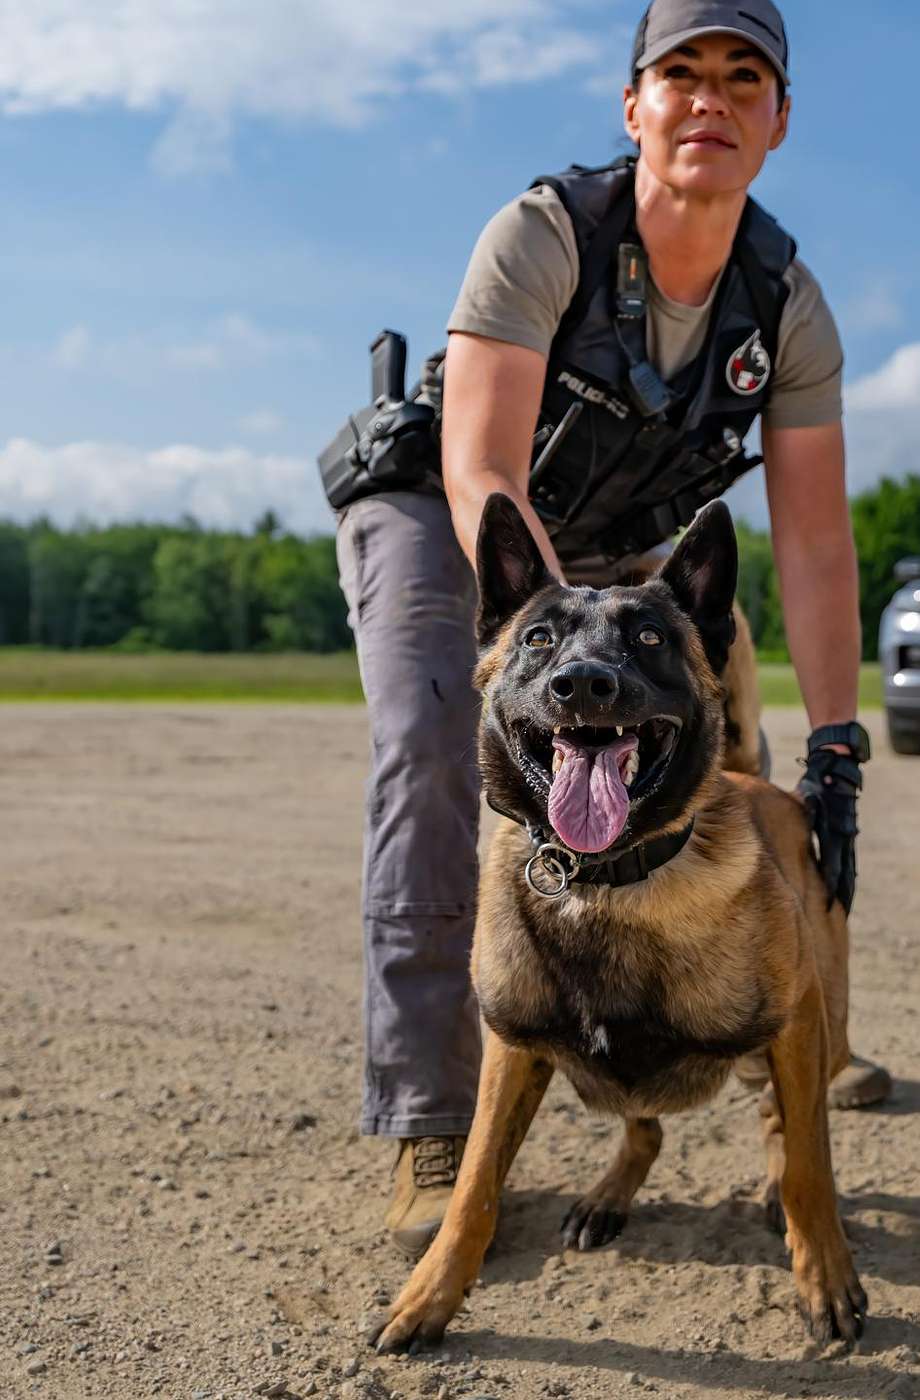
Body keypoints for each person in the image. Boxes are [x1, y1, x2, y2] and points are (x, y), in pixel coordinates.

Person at [335, 0, 890, 1262]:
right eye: (679, 73)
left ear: (778, 119)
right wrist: (553, 640)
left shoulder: (783, 305)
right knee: (441, 754)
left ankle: (788, 1043)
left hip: (624, 554)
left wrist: (842, 744)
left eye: (742, 78)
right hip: (459, 525)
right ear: (631, 106)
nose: (710, 97)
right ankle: (433, 1118)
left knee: (727, 743)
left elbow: (809, 540)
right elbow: (482, 466)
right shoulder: (546, 235)